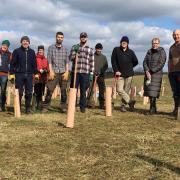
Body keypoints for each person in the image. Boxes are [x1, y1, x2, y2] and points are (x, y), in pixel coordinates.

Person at [9, 36, 38, 114]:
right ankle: (18, 108)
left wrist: (36, 74)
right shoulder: (16, 51)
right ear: (21, 42)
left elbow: (34, 64)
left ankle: (27, 109)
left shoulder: (32, 52)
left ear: (29, 43)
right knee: (19, 92)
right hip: (19, 75)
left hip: (29, 75)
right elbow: (12, 64)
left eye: (27, 41)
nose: (25, 42)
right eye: (24, 41)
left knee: (29, 92)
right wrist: (11, 74)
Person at [42, 32, 69, 113]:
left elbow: (67, 62)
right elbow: (49, 61)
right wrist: (51, 71)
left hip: (63, 72)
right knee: (50, 90)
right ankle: (46, 106)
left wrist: (67, 72)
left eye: (61, 37)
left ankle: (63, 107)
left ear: (63, 38)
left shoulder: (65, 49)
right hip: (54, 71)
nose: (60, 38)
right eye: (58, 37)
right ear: (56, 37)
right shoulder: (51, 48)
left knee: (63, 91)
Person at [111, 36, 138, 112]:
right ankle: (130, 101)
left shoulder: (131, 52)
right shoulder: (116, 50)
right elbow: (113, 61)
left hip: (129, 75)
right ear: (121, 42)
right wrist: (116, 70)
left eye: (125, 42)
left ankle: (123, 106)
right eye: (123, 42)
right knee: (119, 89)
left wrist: (130, 67)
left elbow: (136, 61)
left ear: (127, 43)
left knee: (125, 91)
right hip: (119, 74)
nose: (124, 43)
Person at [69, 32, 94, 113]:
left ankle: (82, 107)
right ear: (80, 38)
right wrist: (74, 53)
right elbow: (70, 58)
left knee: (83, 90)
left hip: (85, 73)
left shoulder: (90, 49)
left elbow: (91, 62)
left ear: (86, 38)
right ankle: (73, 105)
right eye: (82, 37)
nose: (83, 38)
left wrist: (91, 73)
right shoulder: (74, 47)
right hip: (75, 72)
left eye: (84, 37)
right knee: (73, 89)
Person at [143, 38, 166, 114]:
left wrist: (151, 71)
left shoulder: (161, 52)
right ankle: (154, 108)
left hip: (156, 75)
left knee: (153, 93)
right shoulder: (149, 52)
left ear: (159, 44)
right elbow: (144, 62)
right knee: (150, 92)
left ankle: (152, 110)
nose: (154, 44)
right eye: (153, 43)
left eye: (156, 43)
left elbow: (161, 63)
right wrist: (146, 70)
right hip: (148, 74)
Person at [87, 43, 108, 109]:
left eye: (100, 49)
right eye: (97, 49)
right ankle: (89, 102)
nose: (99, 50)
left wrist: (101, 72)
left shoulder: (104, 57)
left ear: (101, 49)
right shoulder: (92, 56)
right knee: (91, 89)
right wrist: (92, 71)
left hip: (101, 76)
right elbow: (89, 64)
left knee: (101, 89)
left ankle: (101, 104)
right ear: (95, 49)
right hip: (92, 75)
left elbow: (106, 66)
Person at [168, 29, 180, 116]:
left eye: (178, 34)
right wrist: (169, 71)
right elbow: (170, 60)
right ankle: (176, 110)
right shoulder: (171, 47)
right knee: (175, 92)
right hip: (172, 73)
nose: (176, 36)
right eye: (174, 35)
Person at [33, 45, 49, 110]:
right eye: (39, 50)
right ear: (38, 51)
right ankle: (33, 105)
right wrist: (39, 70)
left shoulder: (45, 59)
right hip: (37, 77)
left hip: (43, 78)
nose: (40, 51)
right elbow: (34, 66)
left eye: (41, 50)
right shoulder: (35, 58)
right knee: (36, 91)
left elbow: (48, 67)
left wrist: (46, 70)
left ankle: (39, 105)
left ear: (43, 51)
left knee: (42, 91)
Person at [0, 40, 11, 111]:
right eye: (3, 45)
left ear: (8, 47)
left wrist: (11, 75)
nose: (4, 46)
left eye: (6, 45)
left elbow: (11, 64)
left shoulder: (10, 54)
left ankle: (2, 105)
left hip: (4, 74)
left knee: (3, 90)